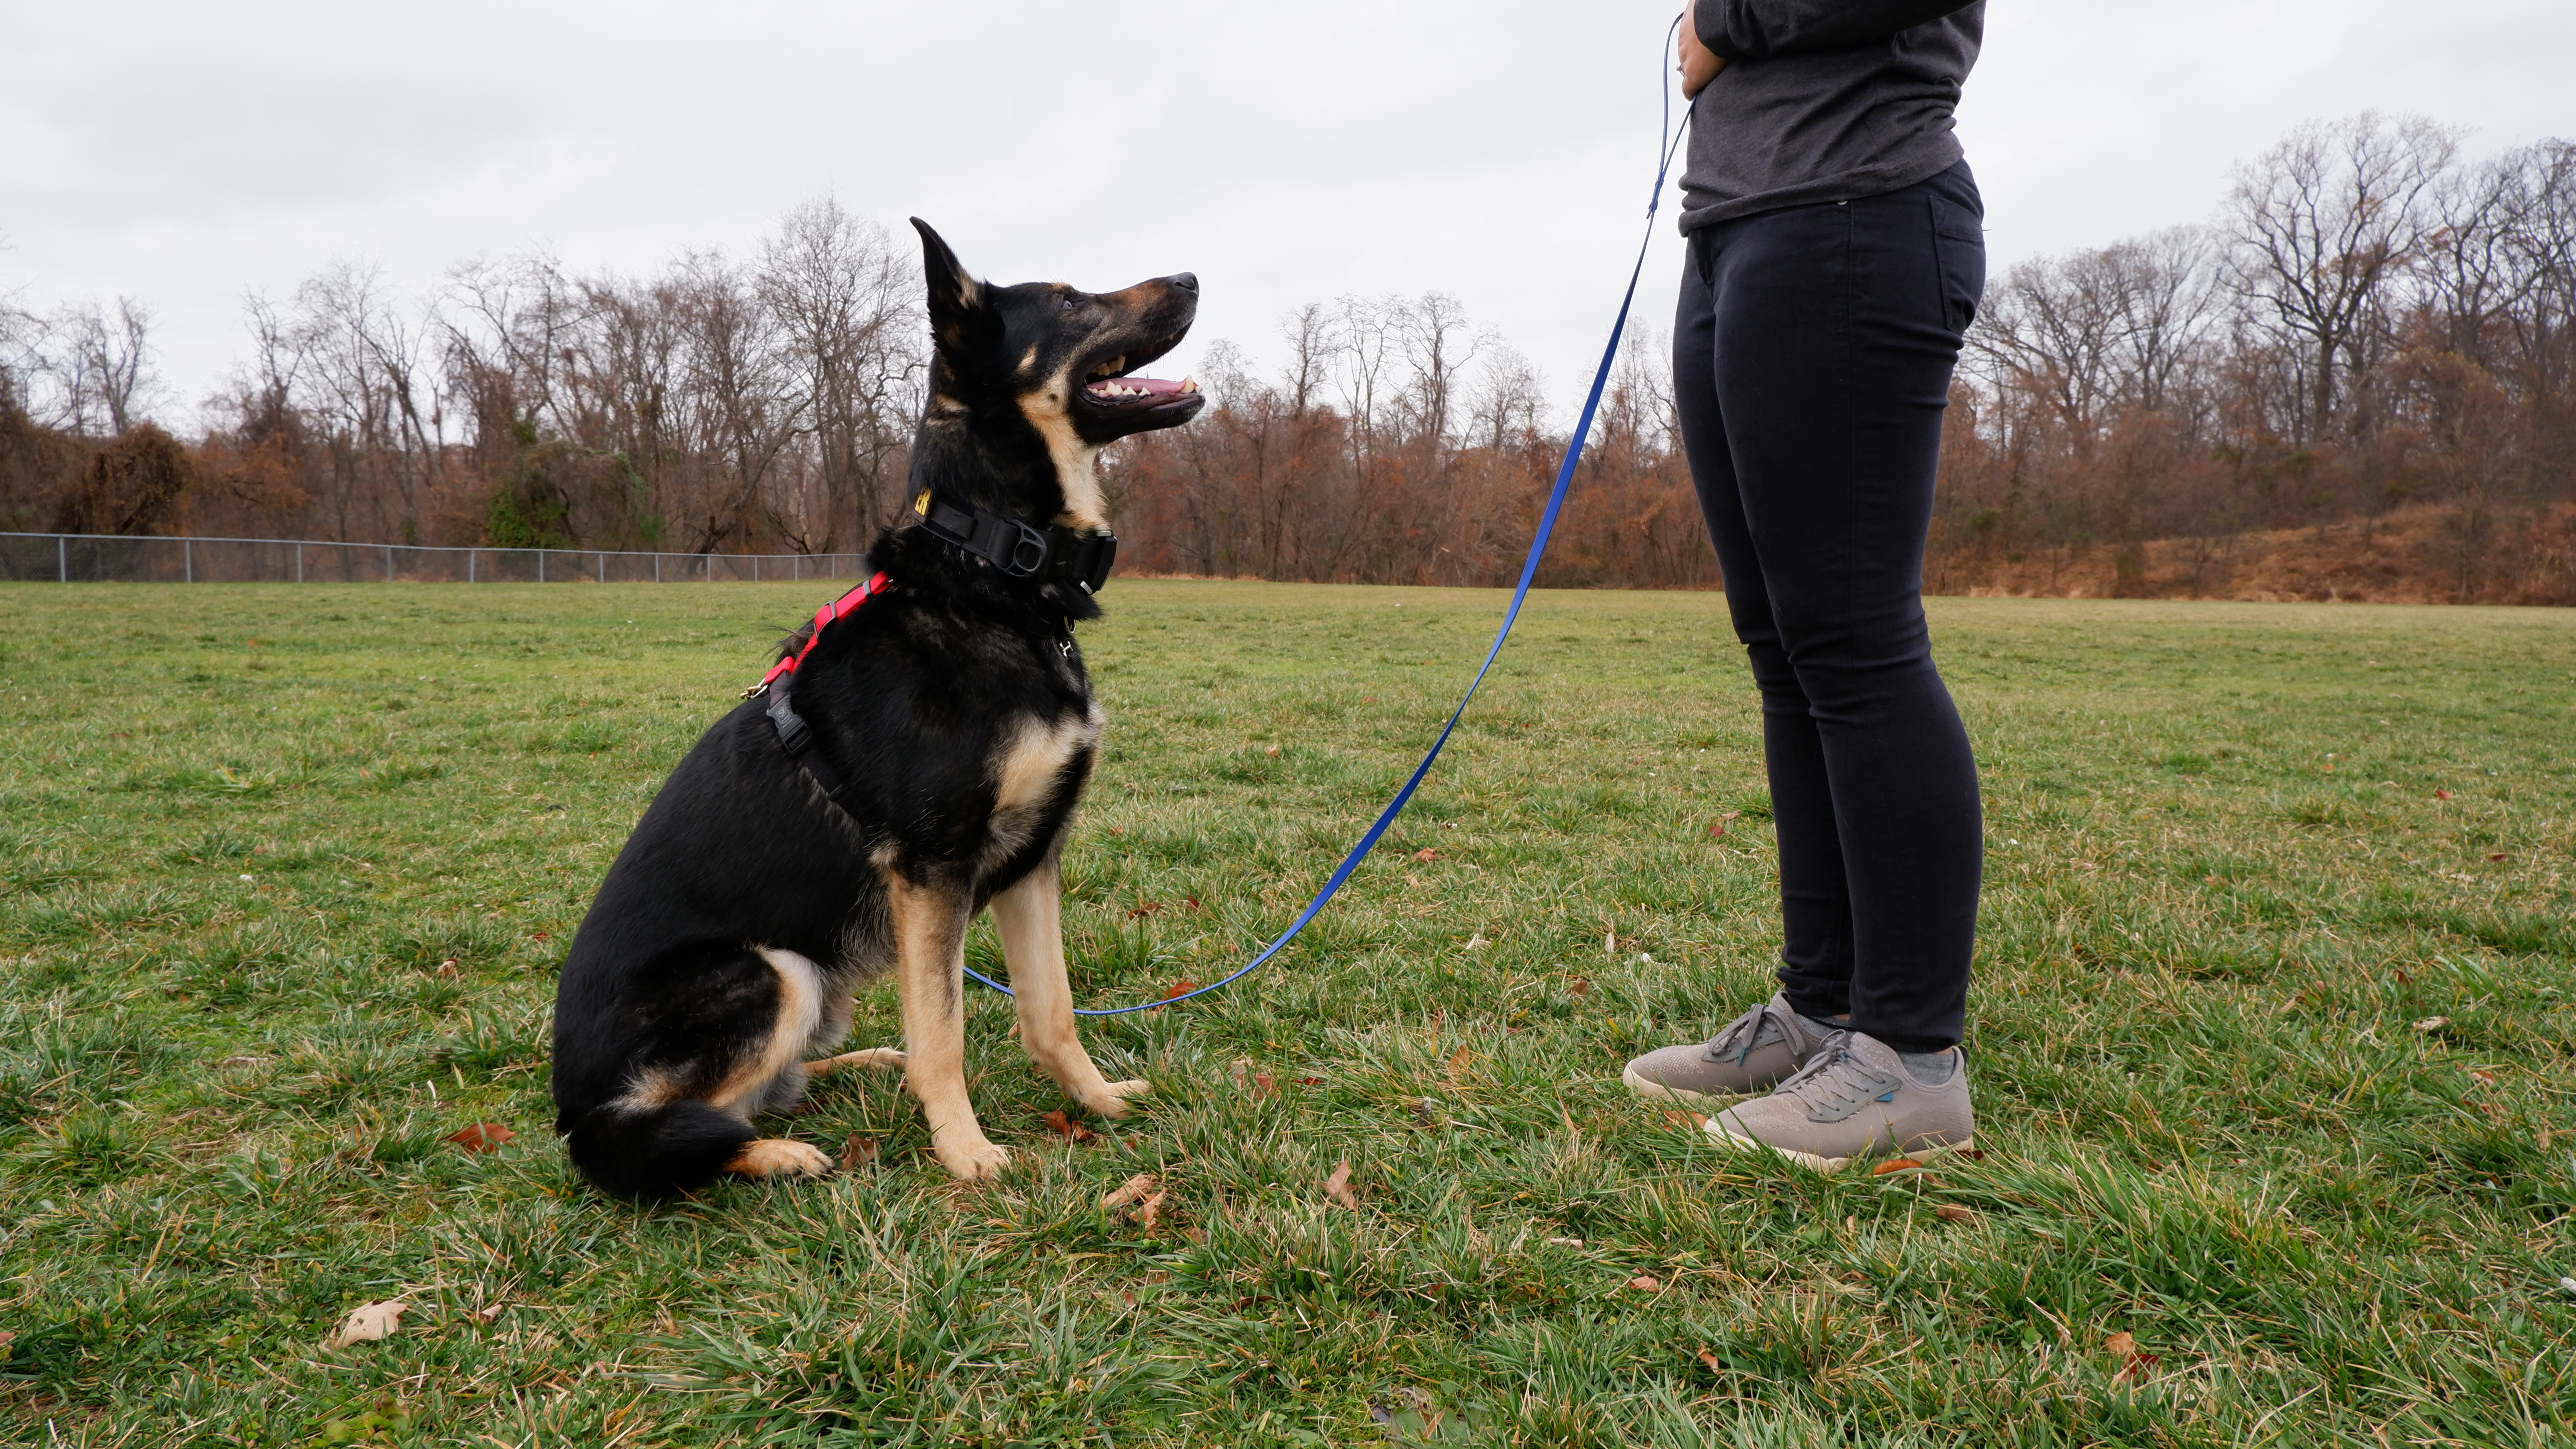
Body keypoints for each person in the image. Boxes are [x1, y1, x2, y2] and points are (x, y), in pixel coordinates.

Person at [1622, 0, 1988, 1169]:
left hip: (1856, 214)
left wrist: (1723, 21)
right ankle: (1822, 1009)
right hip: (1735, 231)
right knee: (1785, 645)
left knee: (1856, 640)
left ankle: (1912, 1061)